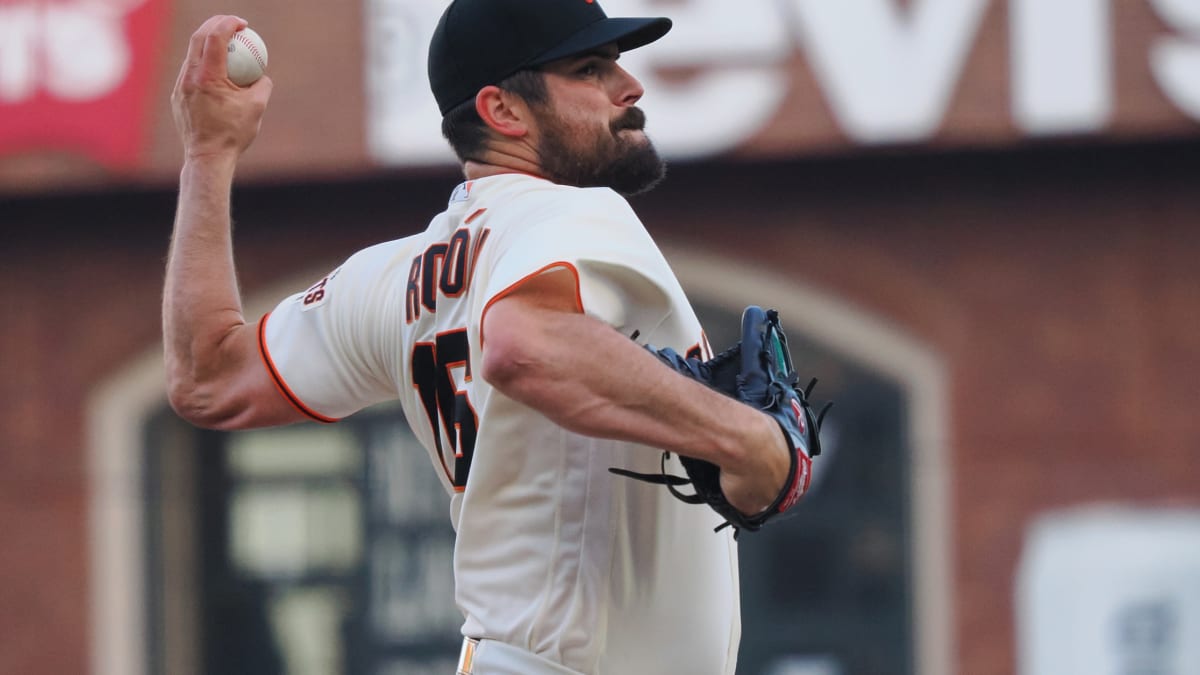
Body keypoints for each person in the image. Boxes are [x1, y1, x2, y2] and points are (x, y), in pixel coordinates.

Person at [164, 1, 795, 673]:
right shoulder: (576, 210)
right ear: (504, 112)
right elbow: (523, 344)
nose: (628, 84)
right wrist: (752, 439)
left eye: (615, 62)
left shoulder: (397, 275)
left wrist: (208, 154)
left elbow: (210, 377)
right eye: (589, 68)